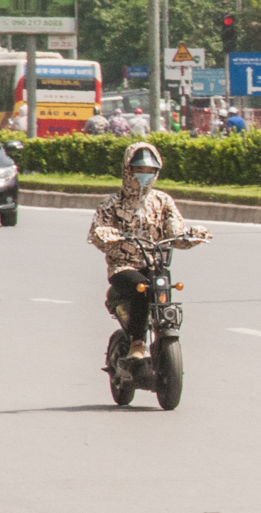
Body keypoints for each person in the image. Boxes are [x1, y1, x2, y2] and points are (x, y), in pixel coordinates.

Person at [87, 143, 212, 360]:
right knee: (142, 288)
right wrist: (108, 235)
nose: (145, 176)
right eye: (139, 170)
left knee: (161, 284)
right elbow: (97, 234)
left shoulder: (163, 201)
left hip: (154, 263)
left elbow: (175, 230)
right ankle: (137, 342)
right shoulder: (112, 203)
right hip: (123, 266)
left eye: (150, 171)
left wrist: (191, 235)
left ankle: (163, 332)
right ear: (128, 169)